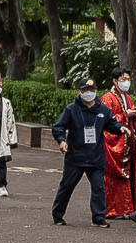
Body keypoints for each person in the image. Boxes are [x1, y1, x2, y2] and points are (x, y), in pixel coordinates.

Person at [50, 80, 117, 226]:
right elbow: (58, 127)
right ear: (79, 91)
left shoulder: (103, 110)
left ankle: (98, 217)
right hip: (75, 157)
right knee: (67, 186)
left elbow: (112, 125)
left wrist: (121, 128)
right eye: (85, 89)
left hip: (96, 157)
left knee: (98, 188)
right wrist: (61, 141)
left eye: (91, 89)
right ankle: (58, 214)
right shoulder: (71, 109)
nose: (89, 93)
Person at [102, 71, 136, 223]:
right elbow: (108, 121)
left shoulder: (127, 97)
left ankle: (129, 207)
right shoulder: (108, 98)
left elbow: (129, 115)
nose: (126, 82)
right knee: (115, 177)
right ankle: (113, 209)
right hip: (116, 145)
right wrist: (126, 114)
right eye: (123, 79)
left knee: (130, 174)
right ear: (115, 81)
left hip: (129, 142)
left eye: (128, 79)